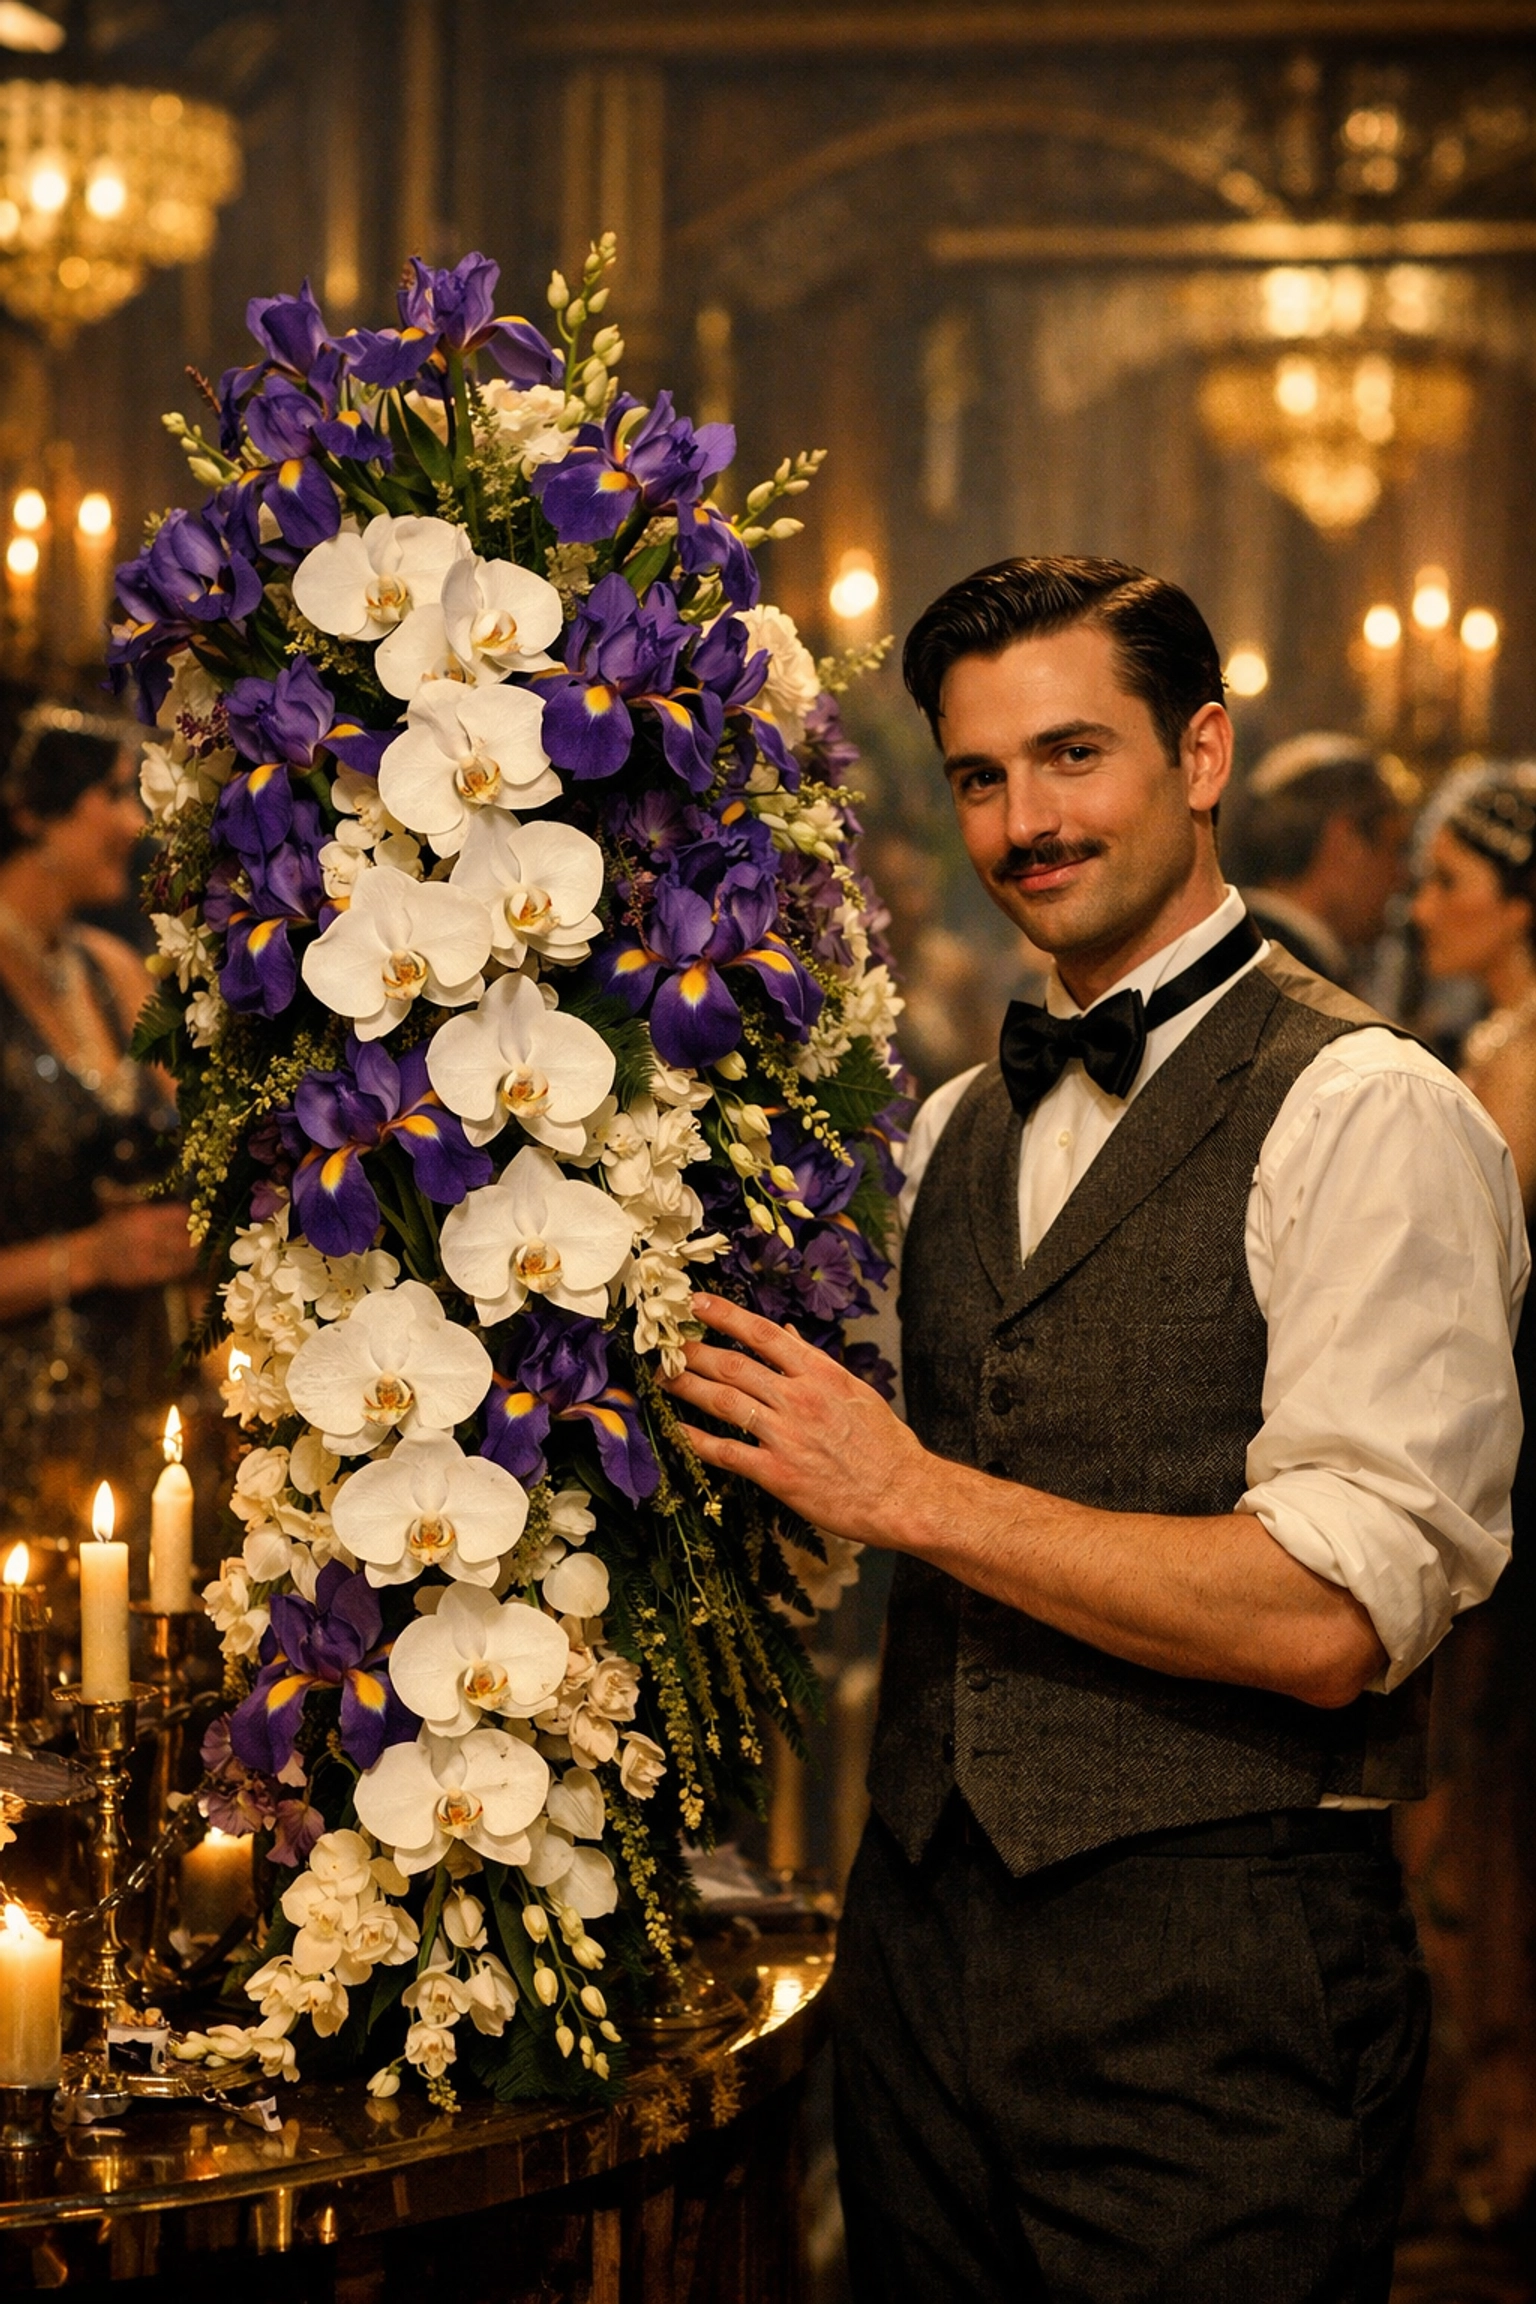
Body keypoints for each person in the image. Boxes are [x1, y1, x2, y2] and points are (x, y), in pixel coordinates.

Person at [661, 557, 1525, 2303]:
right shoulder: (960, 1119)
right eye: (980, 775)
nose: (1023, 821)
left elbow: (1325, 1612)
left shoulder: (1370, 1110)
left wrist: (908, 1491)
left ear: (1200, 753)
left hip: (1218, 1999)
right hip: (915, 1974)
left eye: (1072, 756)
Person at [1403, 766, 1536, 2230]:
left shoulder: (1527, 1053)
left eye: (1450, 882)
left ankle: (1499, 2152)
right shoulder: (1487, 1036)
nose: (1424, 905)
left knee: (1485, 1827)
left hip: (1511, 1493)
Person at [0, 703, 197, 1539]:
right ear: (31, 809)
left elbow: (201, 1144)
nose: (133, 822)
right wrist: (87, 1258)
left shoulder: (114, 971)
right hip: (16, 1432)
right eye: (114, 795)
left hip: (144, 1399)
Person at [1226, 730, 1410, 987]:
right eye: (1394, 850)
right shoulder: (1301, 984)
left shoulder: (1222, 955)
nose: (1400, 877)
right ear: (1346, 845)